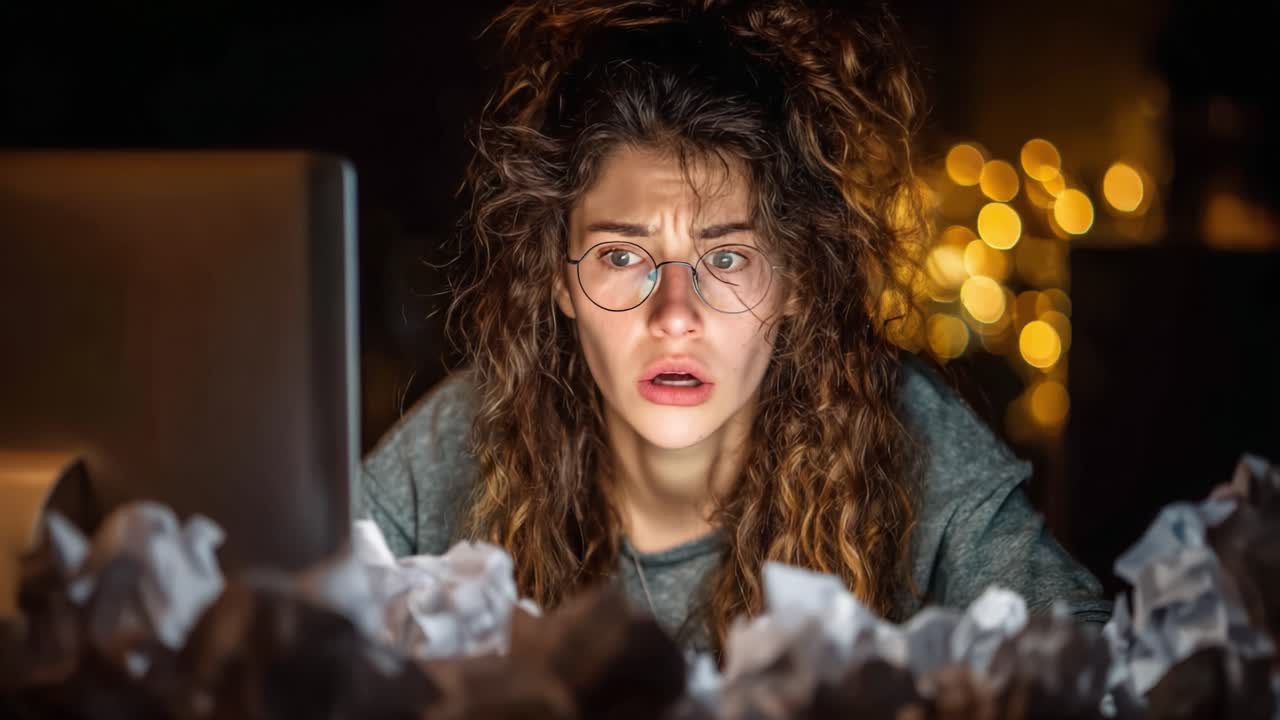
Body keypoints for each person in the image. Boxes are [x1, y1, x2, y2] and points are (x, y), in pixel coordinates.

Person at [360, 0, 1110, 655]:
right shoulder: (474, 429)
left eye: (726, 257)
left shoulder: (900, 426)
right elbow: (288, 616)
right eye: (623, 254)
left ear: (794, 280)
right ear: (561, 279)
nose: (675, 316)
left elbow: (1089, 657)